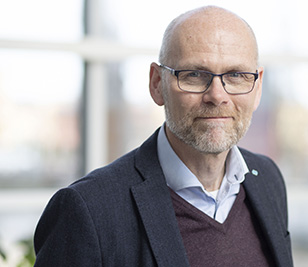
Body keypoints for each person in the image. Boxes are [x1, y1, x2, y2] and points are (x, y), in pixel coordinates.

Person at [34, 5, 293, 267]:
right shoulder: (87, 210)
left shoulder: (268, 179)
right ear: (157, 84)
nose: (217, 96)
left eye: (236, 75)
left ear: (257, 86)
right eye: (194, 75)